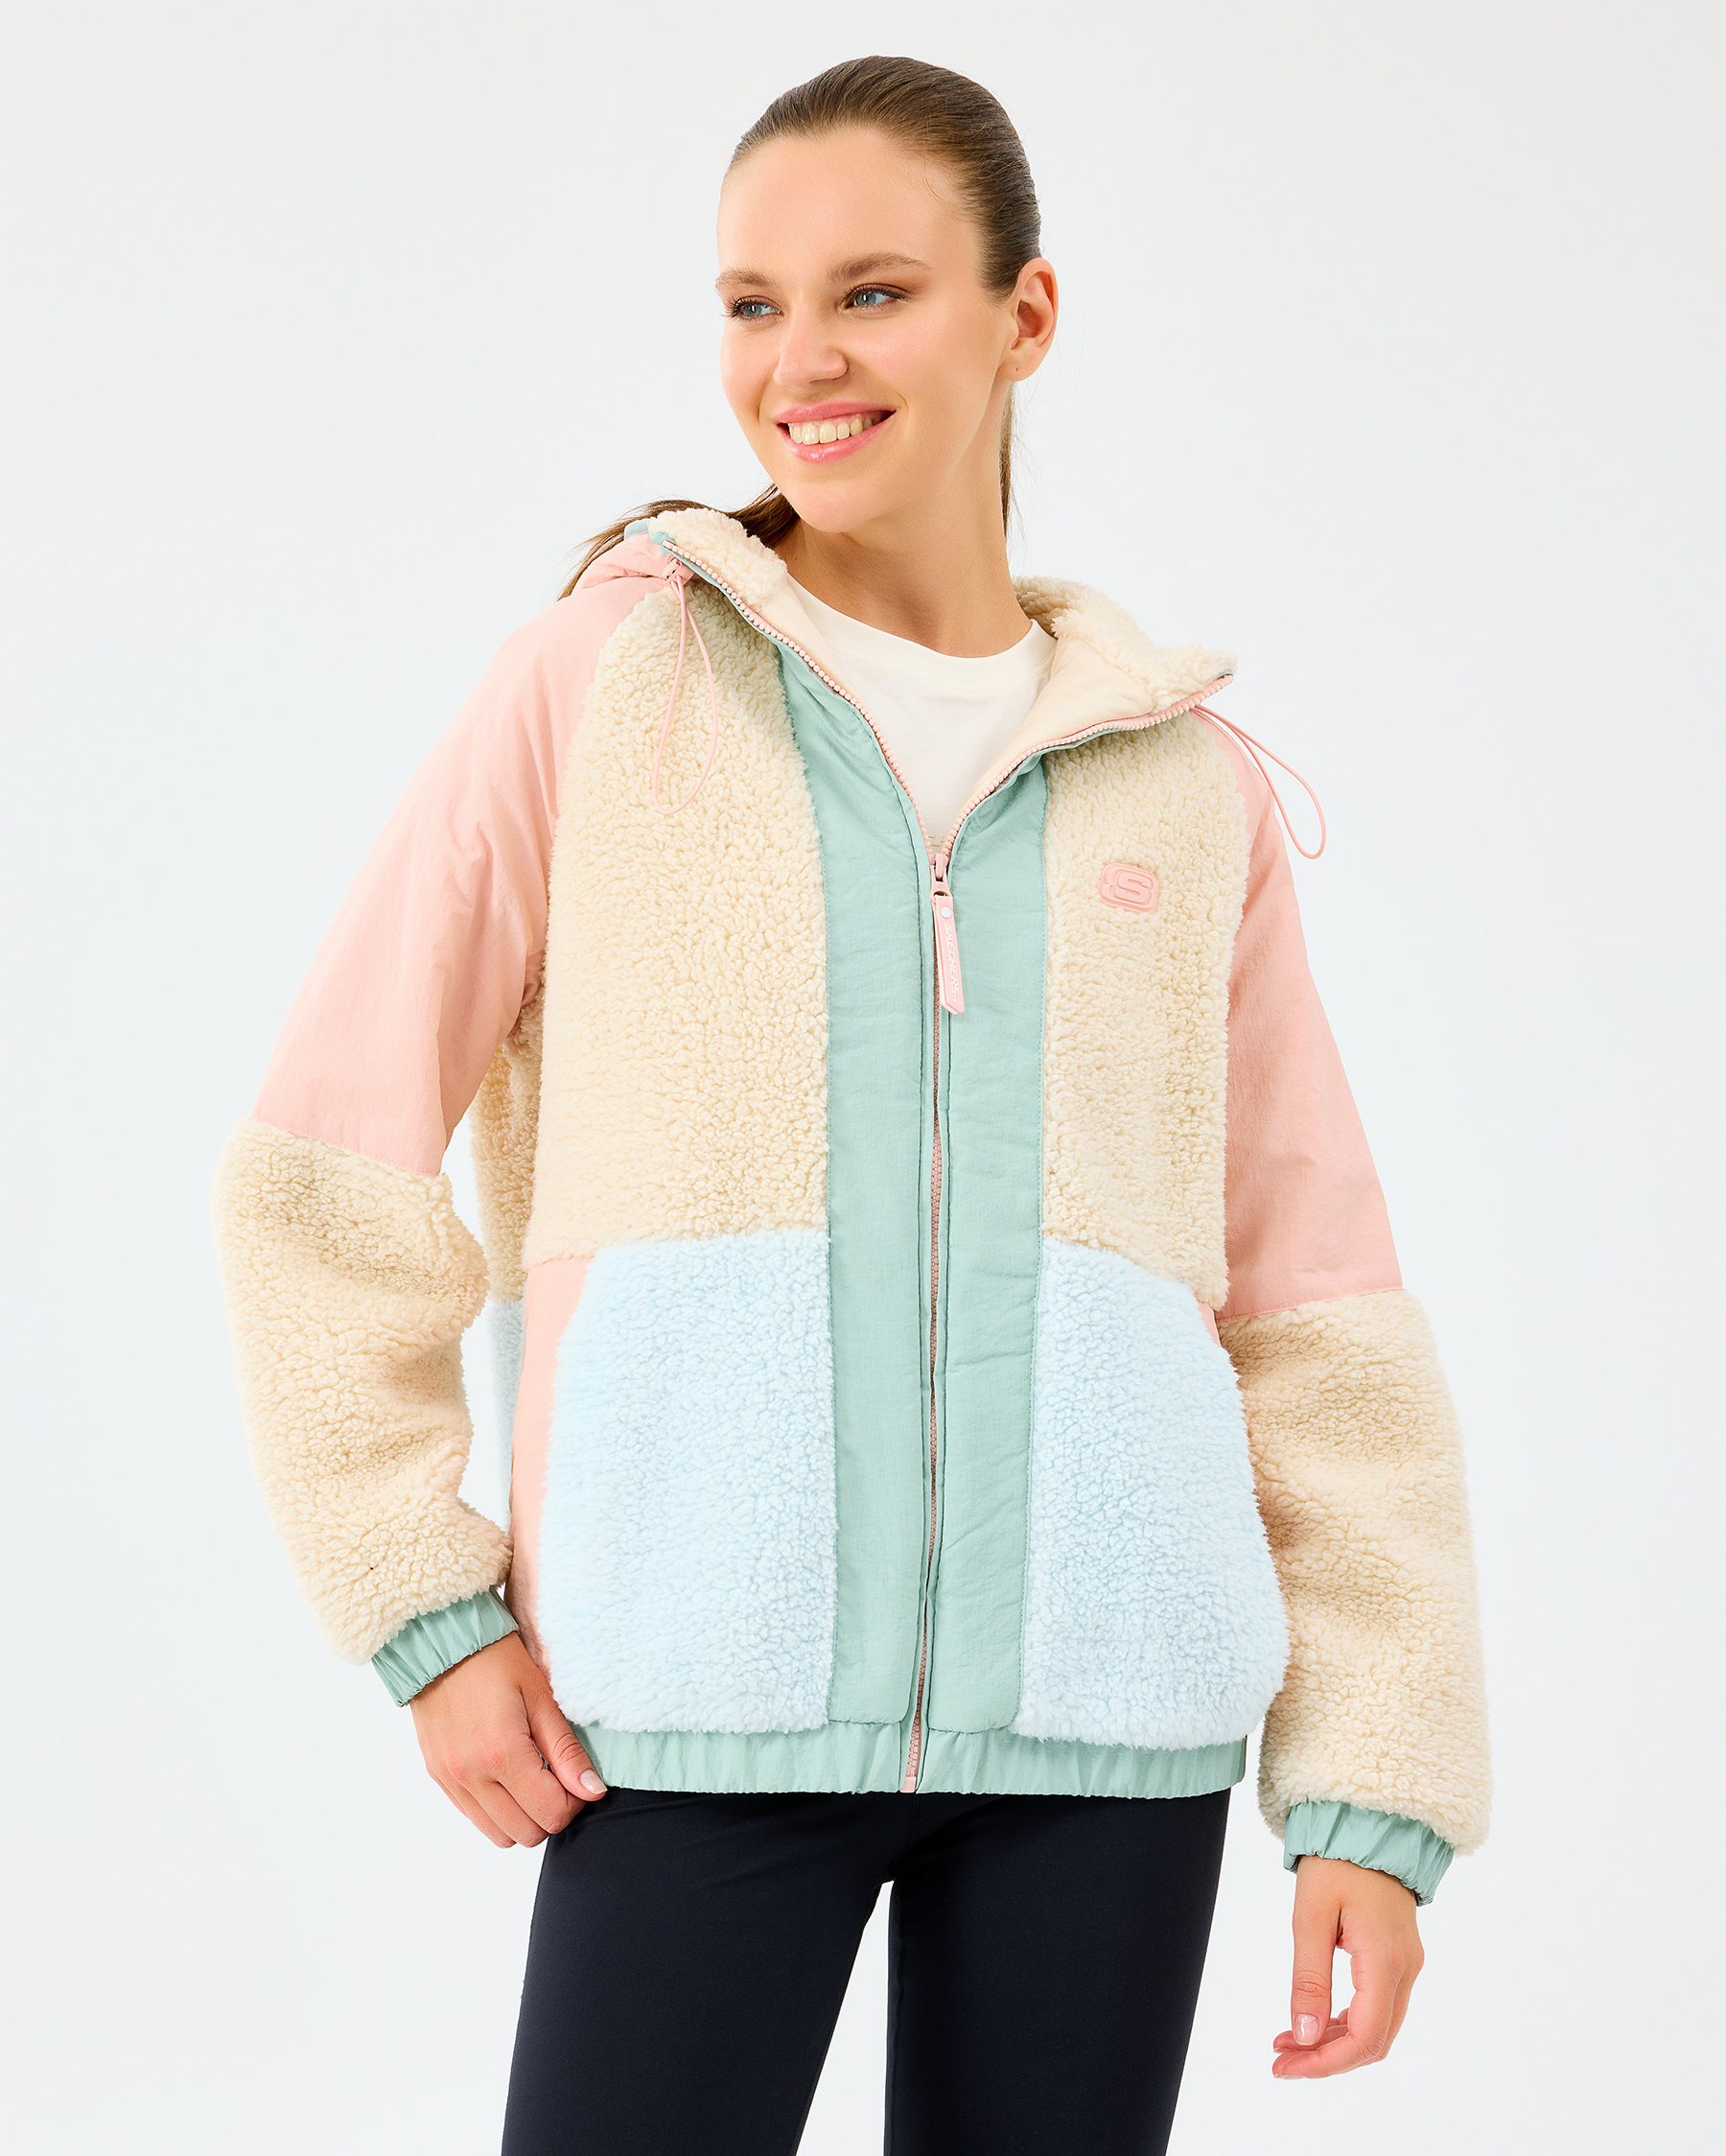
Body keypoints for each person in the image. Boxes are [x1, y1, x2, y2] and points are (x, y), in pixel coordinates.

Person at [211, 54, 1490, 2156]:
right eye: (752, 302)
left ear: (1025, 315)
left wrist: (1374, 1781)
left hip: (1108, 1723)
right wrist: (422, 1609)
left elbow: (1315, 1300)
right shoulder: (602, 683)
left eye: (872, 292)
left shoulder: (1180, 782)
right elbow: (319, 1168)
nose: (798, 360)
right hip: (685, 1701)